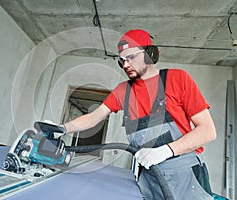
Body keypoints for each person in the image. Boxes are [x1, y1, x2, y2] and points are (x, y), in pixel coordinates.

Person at [60, 29, 217, 199]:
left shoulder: (177, 79)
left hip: (186, 176)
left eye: (131, 58)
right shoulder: (123, 91)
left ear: (150, 54)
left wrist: (166, 151)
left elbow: (207, 131)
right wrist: (61, 129)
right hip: (149, 178)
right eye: (121, 61)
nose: (125, 65)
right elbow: (92, 118)